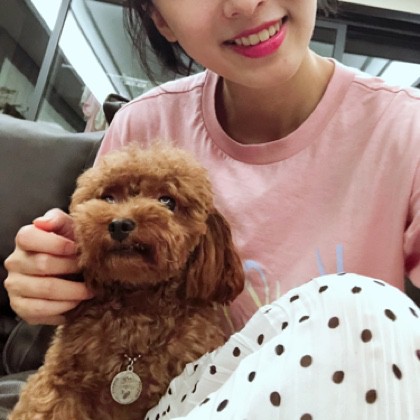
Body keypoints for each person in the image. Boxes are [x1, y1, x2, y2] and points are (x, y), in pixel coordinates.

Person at [3, 0, 420, 418]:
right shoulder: (140, 124)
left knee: (357, 305)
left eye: (166, 202)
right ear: (160, 18)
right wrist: (47, 272)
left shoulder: (407, 130)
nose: (245, 4)